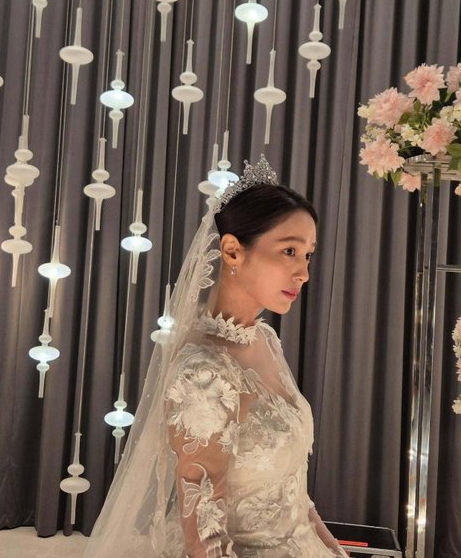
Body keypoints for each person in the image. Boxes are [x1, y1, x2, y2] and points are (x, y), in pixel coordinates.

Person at [83, 158, 348, 558]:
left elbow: (292, 488)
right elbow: (204, 539)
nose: (303, 273)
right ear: (232, 251)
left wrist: (332, 547)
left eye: (308, 255)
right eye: (289, 251)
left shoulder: (265, 339)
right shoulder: (203, 375)